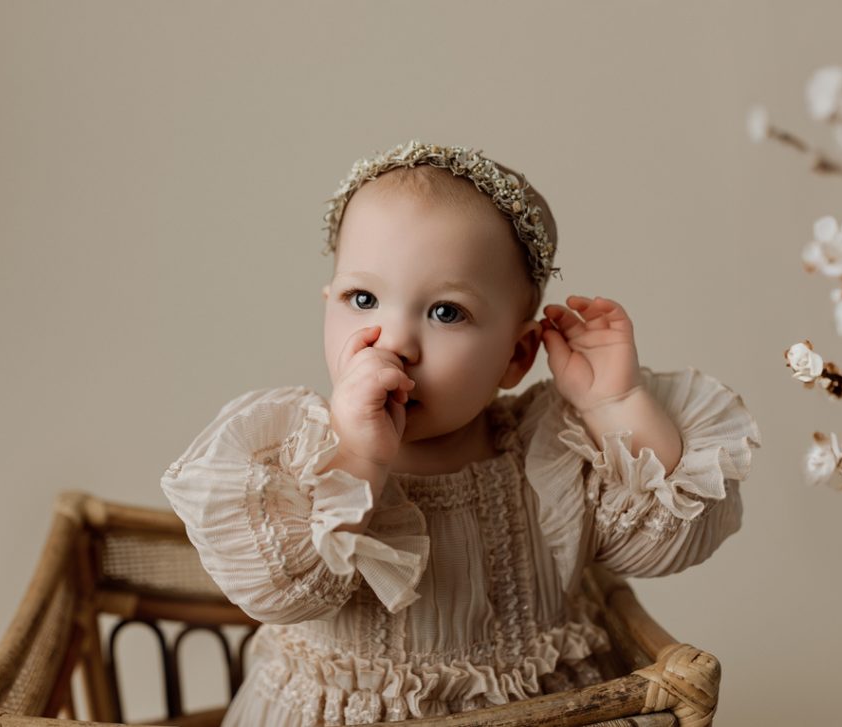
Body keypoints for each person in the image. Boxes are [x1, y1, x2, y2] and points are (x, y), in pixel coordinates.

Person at [160, 140, 762, 726]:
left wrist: (617, 403)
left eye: (446, 311)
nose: (394, 340)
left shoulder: (550, 451)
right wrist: (358, 456)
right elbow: (281, 593)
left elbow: (662, 543)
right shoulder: (297, 457)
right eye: (362, 297)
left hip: (538, 711)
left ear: (516, 355)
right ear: (328, 303)